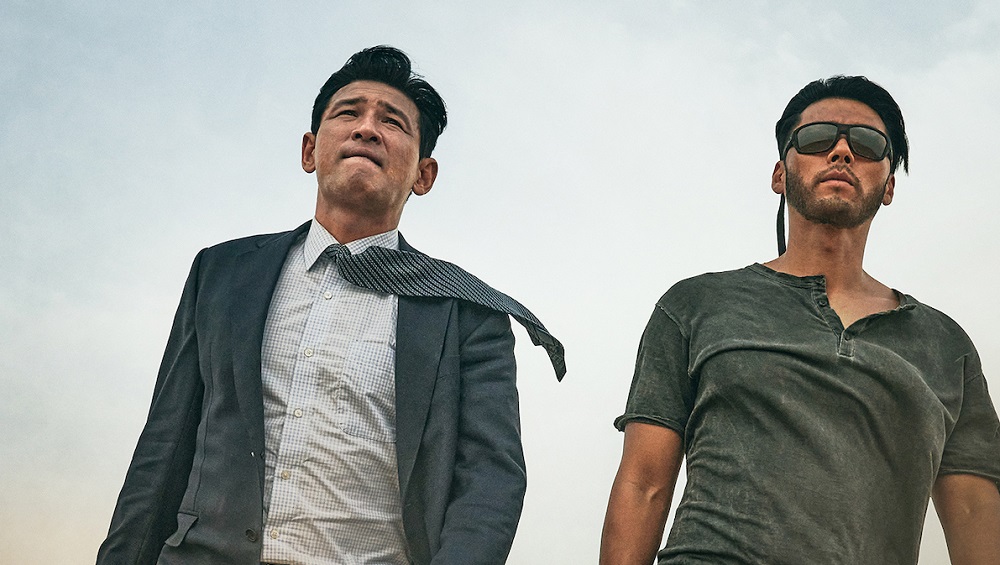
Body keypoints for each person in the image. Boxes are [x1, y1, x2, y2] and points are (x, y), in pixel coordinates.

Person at [97, 45, 563, 565]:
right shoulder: (223, 273)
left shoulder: (466, 313)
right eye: (348, 113)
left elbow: (489, 482)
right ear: (309, 151)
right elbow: (163, 448)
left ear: (424, 175)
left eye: (393, 122)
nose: (367, 129)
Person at [600, 76, 1000, 564]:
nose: (842, 152)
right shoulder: (695, 305)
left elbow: (975, 510)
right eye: (816, 139)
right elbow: (643, 483)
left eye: (867, 144)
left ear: (889, 186)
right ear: (779, 174)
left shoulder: (945, 345)